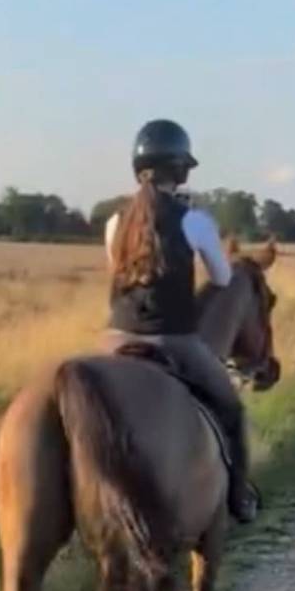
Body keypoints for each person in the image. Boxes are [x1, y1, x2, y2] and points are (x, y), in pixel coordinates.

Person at [104, 118, 257, 523]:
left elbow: (115, 270)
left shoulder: (114, 223)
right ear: (180, 169)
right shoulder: (195, 222)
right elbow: (223, 279)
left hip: (114, 343)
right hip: (174, 341)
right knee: (231, 410)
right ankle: (239, 495)